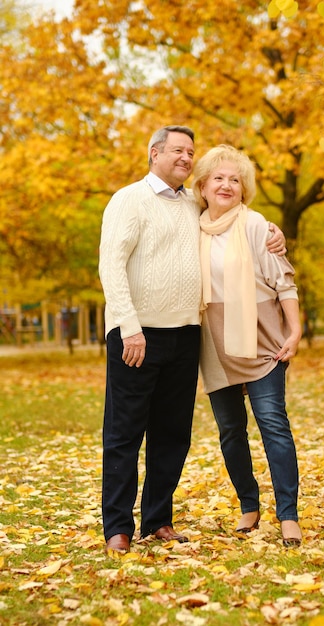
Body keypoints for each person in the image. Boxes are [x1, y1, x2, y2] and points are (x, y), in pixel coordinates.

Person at [98, 126, 286, 554]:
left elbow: (234, 219)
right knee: (125, 433)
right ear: (154, 153)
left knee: (173, 434)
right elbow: (112, 264)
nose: (186, 158)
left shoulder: (192, 204)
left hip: (186, 335)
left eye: (190, 153)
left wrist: (272, 232)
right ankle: (118, 528)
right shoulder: (129, 199)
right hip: (137, 335)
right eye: (178, 151)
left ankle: (158, 520)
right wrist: (129, 325)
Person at [192, 144, 303, 547]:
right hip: (214, 343)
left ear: (244, 188)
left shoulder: (257, 226)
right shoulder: (192, 226)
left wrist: (295, 331)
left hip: (262, 340)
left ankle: (288, 514)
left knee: (274, 425)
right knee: (230, 432)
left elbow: (284, 283)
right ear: (202, 186)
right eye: (218, 178)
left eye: (234, 179)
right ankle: (249, 505)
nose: (226, 185)